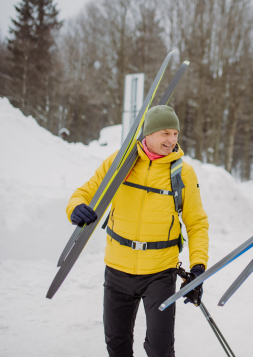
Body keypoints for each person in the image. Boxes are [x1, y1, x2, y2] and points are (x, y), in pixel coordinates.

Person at [66, 105, 209, 357]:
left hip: (160, 273)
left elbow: (196, 223)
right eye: (165, 133)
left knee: (160, 350)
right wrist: (76, 208)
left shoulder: (183, 173)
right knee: (117, 346)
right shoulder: (119, 162)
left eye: (175, 133)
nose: (172, 140)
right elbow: (85, 192)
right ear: (149, 134)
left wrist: (198, 266)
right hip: (117, 269)